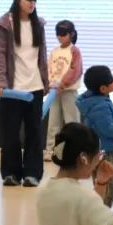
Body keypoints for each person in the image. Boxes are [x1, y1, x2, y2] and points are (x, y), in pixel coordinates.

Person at [0, 0, 49, 187]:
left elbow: (42, 55)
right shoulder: (5, 24)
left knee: (34, 132)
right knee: (11, 132)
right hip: (12, 89)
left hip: (35, 87)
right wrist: (1, 81)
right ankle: (11, 173)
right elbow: (0, 55)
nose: (32, 3)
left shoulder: (39, 25)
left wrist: (46, 81)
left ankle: (32, 173)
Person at [76, 65, 113, 208]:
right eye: (112, 79)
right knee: (106, 184)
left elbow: (106, 122)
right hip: (106, 151)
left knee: (99, 182)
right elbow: (111, 130)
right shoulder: (101, 105)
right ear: (103, 88)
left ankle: (100, 210)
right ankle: (103, 212)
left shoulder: (95, 101)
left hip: (97, 149)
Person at [45, 20, 83, 158]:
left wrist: (63, 84)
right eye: (58, 34)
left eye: (63, 34)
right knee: (53, 122)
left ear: (71, 34)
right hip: (54, 91)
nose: (60, 37)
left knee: (72, 121)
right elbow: (48, 68)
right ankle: (51, 150)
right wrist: (49, 84)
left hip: (69, 91)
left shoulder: (74, 51)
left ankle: (75, 151)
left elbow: (76, 70)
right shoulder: (54, 51)